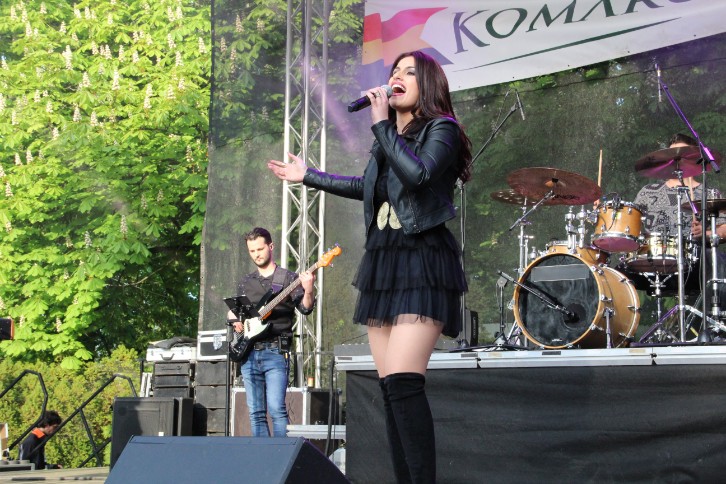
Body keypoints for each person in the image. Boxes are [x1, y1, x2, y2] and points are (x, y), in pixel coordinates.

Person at [268, 51, 471, 483]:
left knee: (403, 382)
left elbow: (419, 175)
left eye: (408, 72)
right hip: (384, 261)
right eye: (393, 71)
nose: (397, 77)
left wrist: (382, 125)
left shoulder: (442, 129)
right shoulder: (388, 139)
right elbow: (368, 187)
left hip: (422, 258)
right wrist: (309, 176)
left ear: (428, 84)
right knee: (390, 389)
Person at [228, 227, 315, 437]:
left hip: (276, 351)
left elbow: (305, 309)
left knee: (276, 409)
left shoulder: (288, 278)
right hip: (249, 352)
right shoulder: (246, 282)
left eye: (260, 249)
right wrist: (235, 321)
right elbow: (234, 311)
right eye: (252, 251)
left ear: (271, 246)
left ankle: (281, 453)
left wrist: (309, 289)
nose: (256, 254)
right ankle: (262, 454)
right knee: (256, 413)